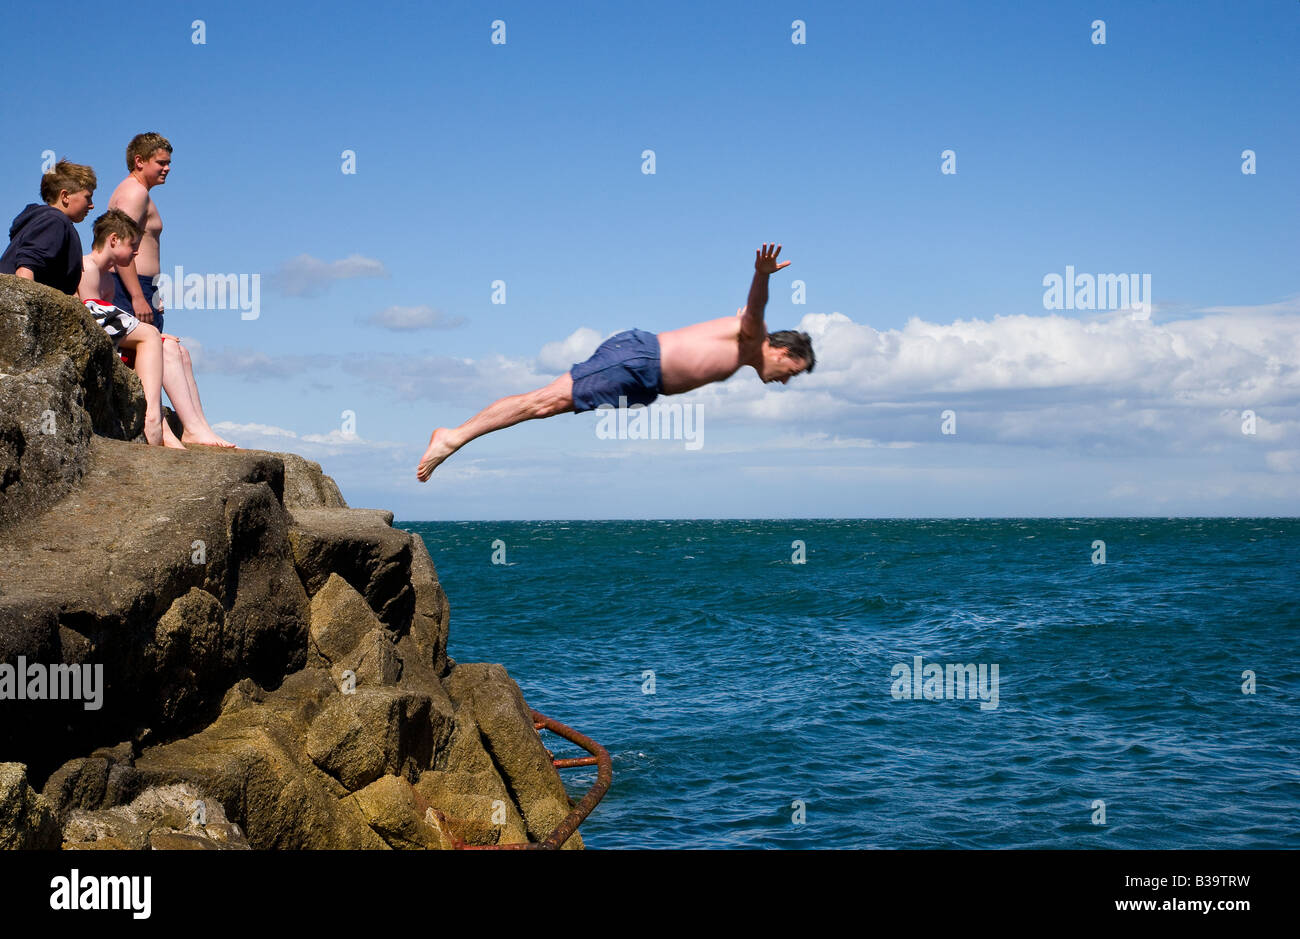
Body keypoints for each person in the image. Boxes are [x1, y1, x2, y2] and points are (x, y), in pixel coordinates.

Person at [416, 243, 814, 480]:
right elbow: (756, 308)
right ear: (783, 352)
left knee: (548, 405)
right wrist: (762, 275)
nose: (784, 381)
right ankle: (453, 437)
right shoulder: (752, 337)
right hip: (639, 361)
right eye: (790, 373)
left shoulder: (744, 345)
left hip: (641, 378)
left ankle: (455, 435)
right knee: (545, 401)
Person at [79, 210, 234, 448]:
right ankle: (163, 424)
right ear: (113, 240)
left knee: (178, 350)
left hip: (119, 343)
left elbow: (113, 324)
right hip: (104, 352)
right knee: (165, 348)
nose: (137, 252)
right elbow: (94, 322)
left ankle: (199, 426)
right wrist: (150, 333)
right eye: (132, 245)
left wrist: (156, 334)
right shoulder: (87, 268)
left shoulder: (108, 279)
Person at [0, 160, 97, 294]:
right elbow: (26, 267)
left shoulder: (48, 221)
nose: (92, 205)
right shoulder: (54, 221)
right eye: (88, 197)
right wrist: (24, 310)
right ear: (65, 196)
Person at [107, 133, 171, 331]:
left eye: (168, 163)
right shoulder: (135, 193)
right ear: (139, 161)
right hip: (129, 287)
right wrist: (137, 296)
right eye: (161, 163)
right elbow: (119, 244)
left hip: (140, 286)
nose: (167, 168)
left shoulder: (136, 191)